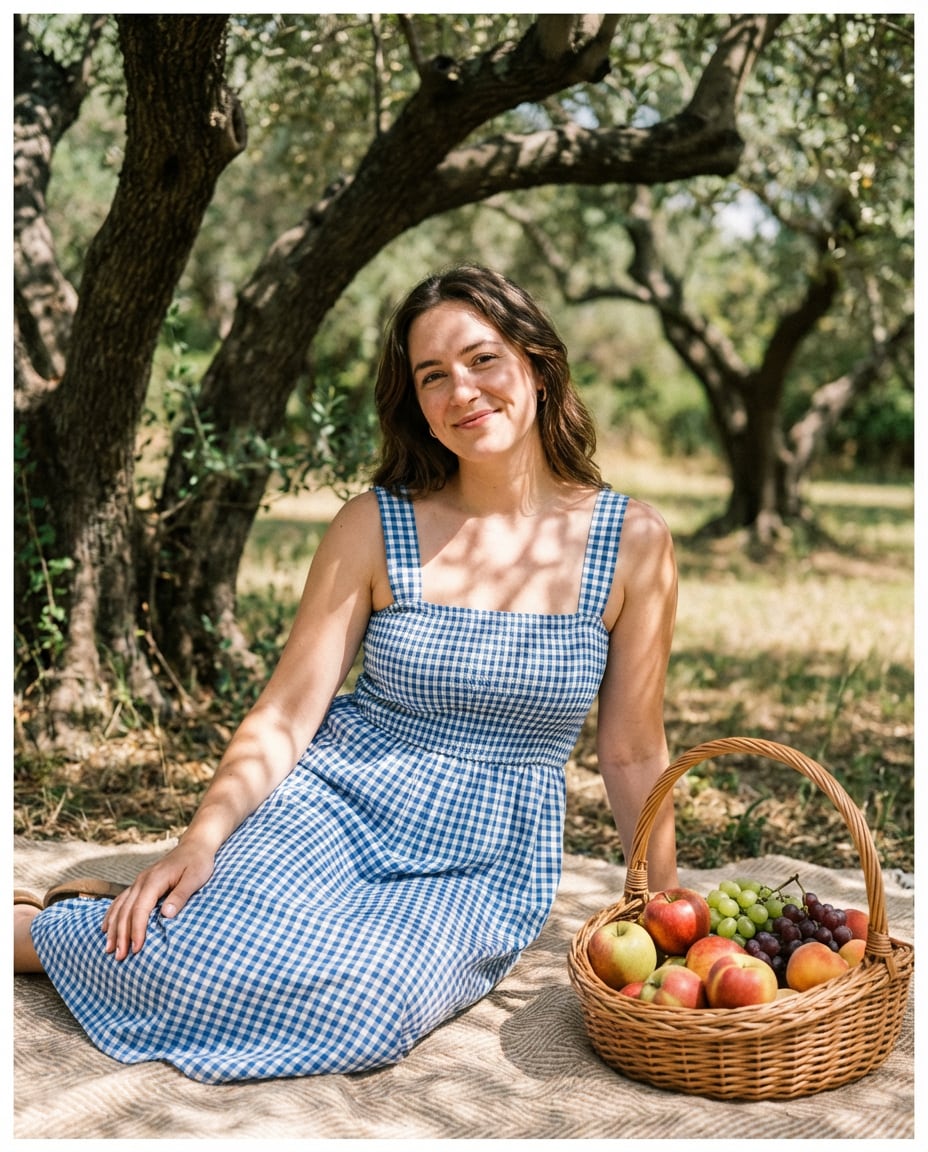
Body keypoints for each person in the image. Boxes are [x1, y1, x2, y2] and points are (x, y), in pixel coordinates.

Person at [14, 263, 678, 1083]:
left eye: (482, 360)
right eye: (432, 376)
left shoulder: (633, 541)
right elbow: (287, 713)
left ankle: (96, 923)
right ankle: (44, 933)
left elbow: (632, 751)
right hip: (335, 804)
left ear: (537, 366)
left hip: (483, 854)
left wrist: (665, 912)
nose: (462, 391)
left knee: (364, 1007)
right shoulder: (373, 523)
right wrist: (200, 838)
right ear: (416, 403)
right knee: (193, 950)